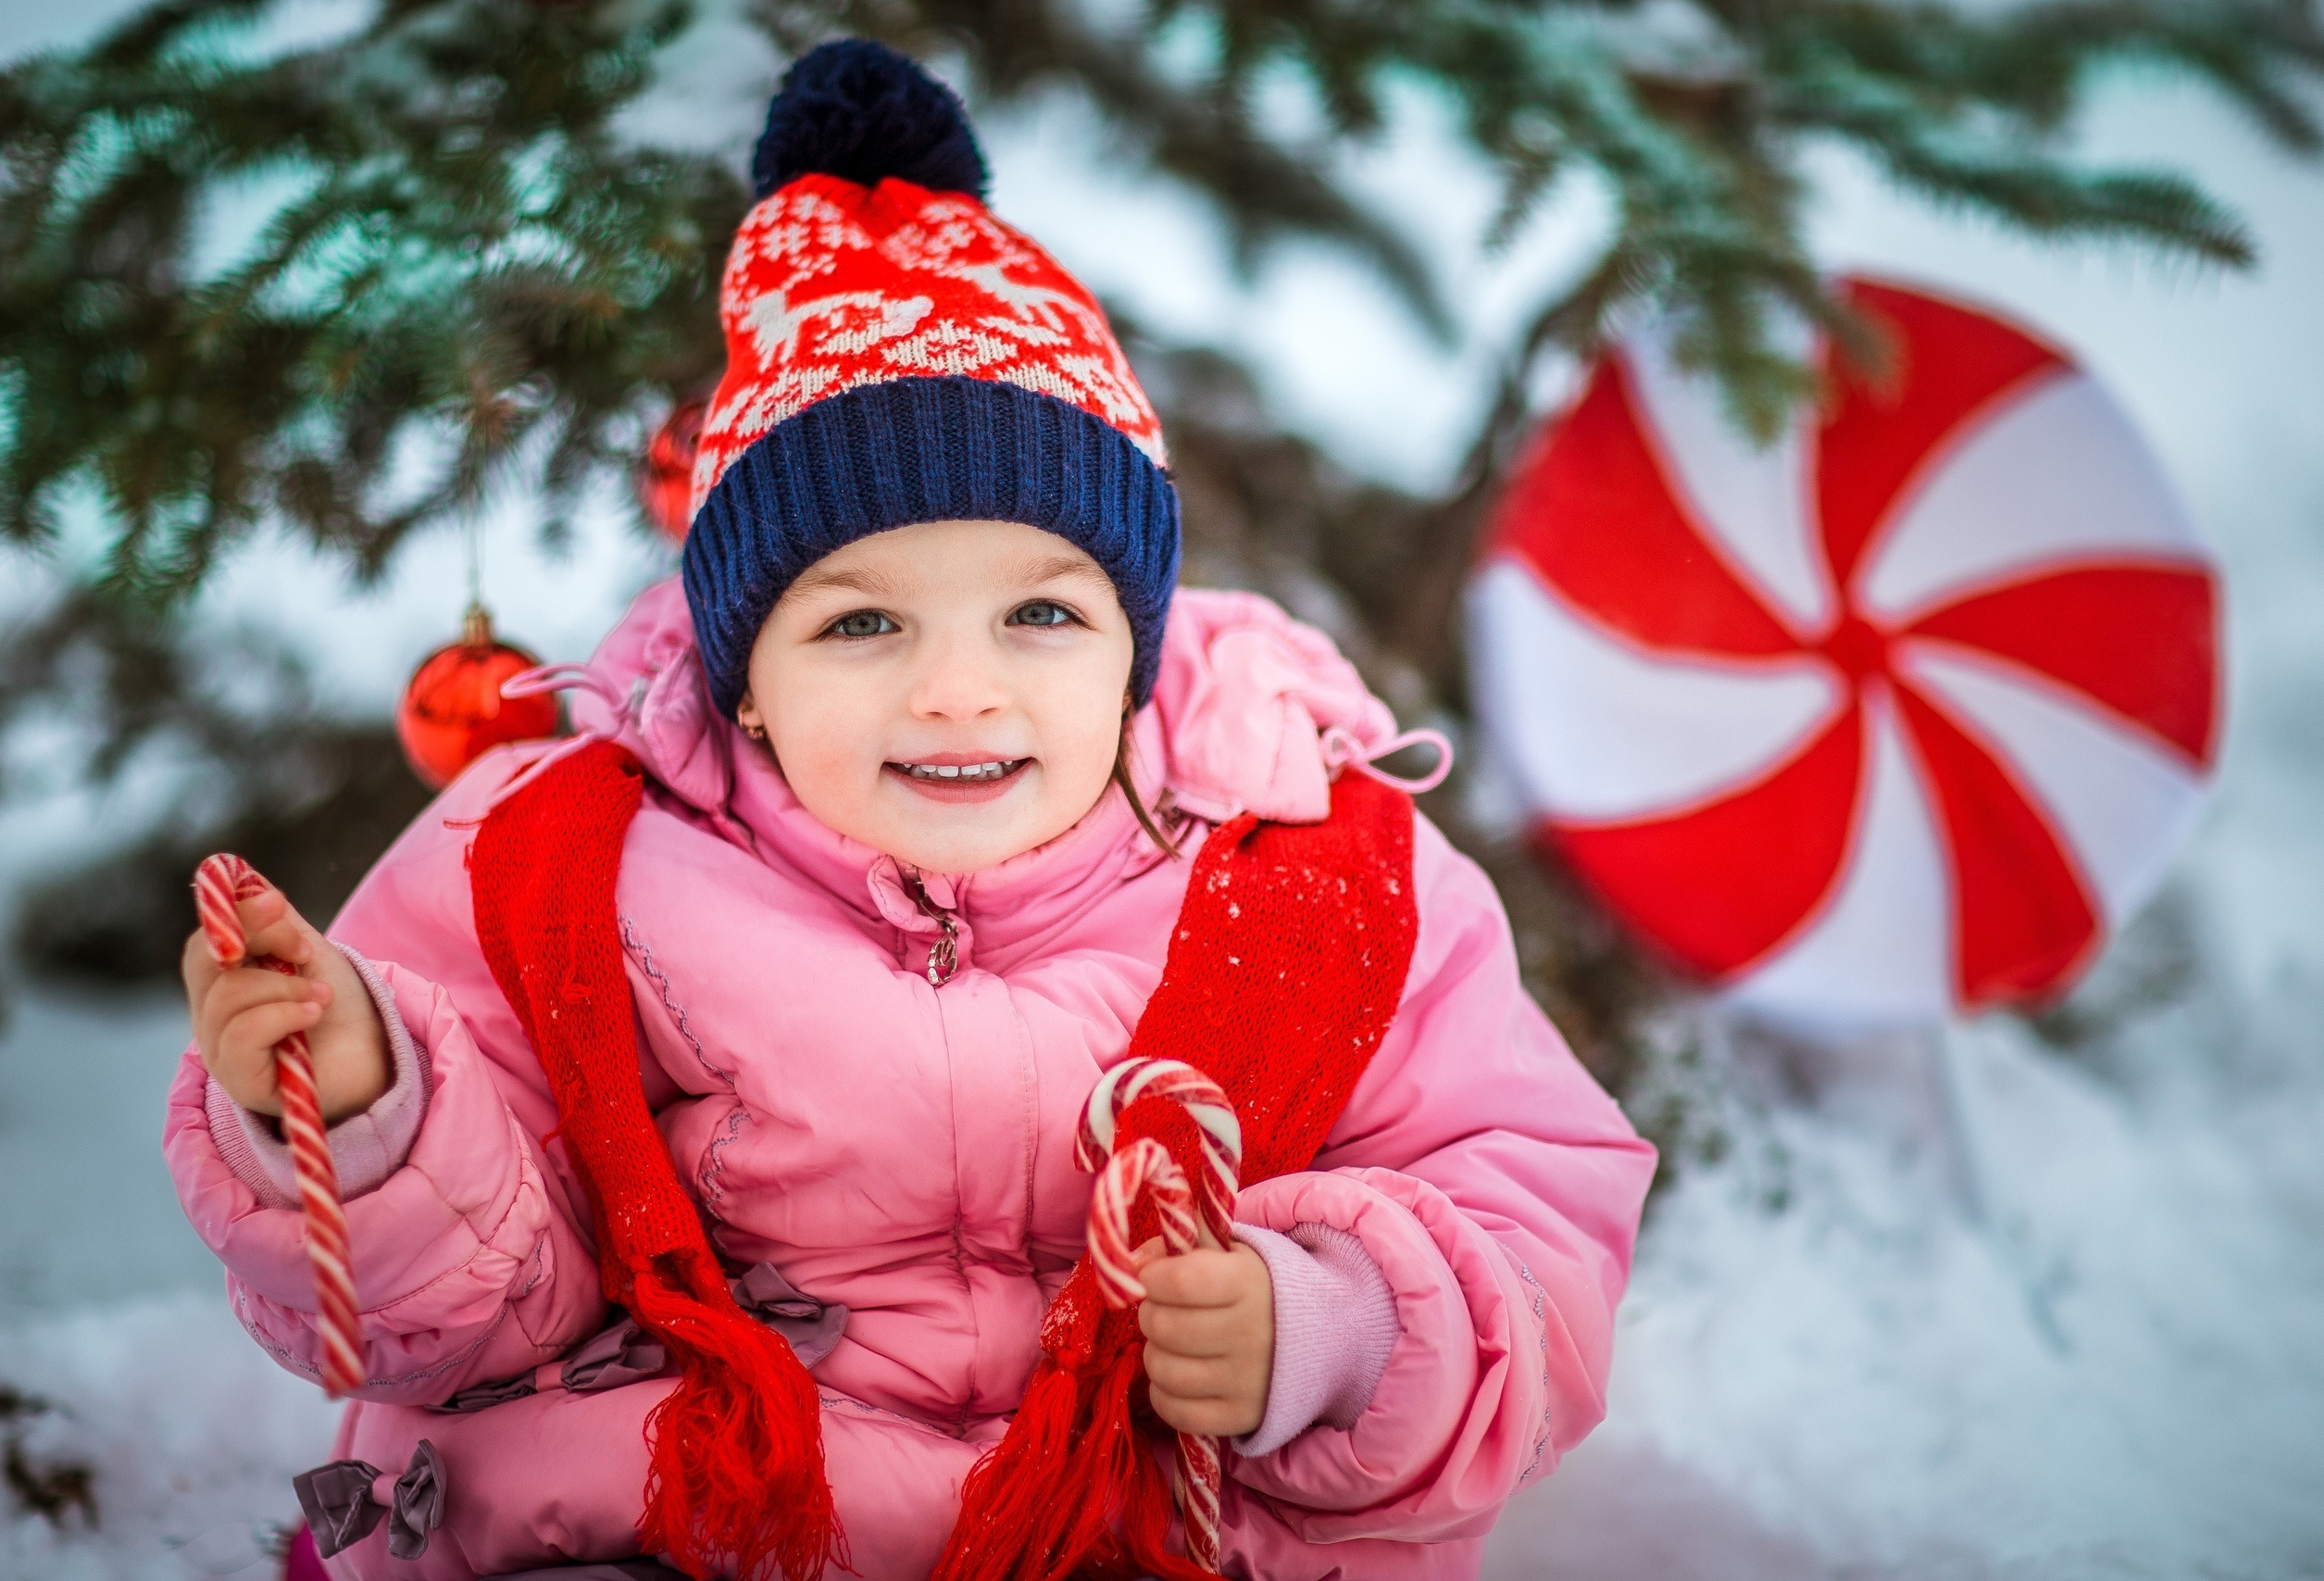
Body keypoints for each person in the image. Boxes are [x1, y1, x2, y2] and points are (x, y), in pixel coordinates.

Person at [167, 39, 1655, 1581]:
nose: (958, 691)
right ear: (744, 679)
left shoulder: (1317, 874)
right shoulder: (568, 864)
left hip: (1141, 1529)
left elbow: (1530, 1201)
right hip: (693, 1511)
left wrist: (1329, 1331)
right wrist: (364, 1106)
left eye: (1042, 616)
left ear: (1136, 654)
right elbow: (467, 1314)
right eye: (863, 624)